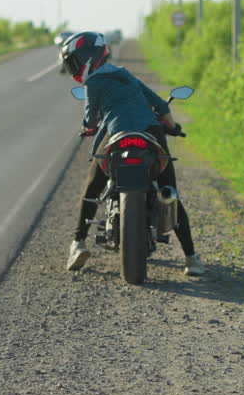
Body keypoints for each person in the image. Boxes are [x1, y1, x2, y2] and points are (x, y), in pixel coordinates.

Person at [59, 31, 205, 276]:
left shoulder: (93, 83)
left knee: (92, 188)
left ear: (88, 57)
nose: (75, 67)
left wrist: (89, 129)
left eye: (75, 61)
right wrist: (172, 127)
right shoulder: (125, 74)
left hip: (117, 136)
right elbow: (159, 105)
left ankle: (79, 243)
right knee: (170, 193)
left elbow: (90, 119)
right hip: (151, 134)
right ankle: (191, 258)